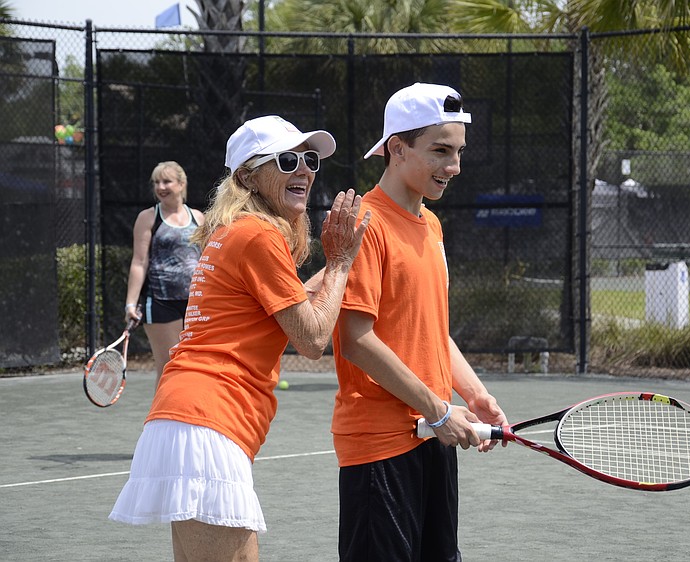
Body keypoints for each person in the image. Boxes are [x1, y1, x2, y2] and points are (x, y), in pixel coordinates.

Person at [109, 115, 370, 562]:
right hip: (209, 418)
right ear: (248, 176)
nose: (304, 169)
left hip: (193, 416)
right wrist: (342, 262)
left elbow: (291, 305)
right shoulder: (259, 235)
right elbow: (311, 339)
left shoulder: (238, 231)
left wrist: (345, 263)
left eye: (309, 159)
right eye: (287, 160)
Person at [331, 83, 508, 561]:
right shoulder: (364, 224)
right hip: (380, 449)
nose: (454, 167)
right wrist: (439, 408)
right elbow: (355, 340)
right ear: (396, 148)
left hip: (433, 437)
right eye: (440, 151)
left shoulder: (430, 225)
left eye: (458, 152)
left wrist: (474, 395)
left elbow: (432, 330)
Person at [124, 161, 205, 387]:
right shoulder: (148, 218)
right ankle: (160, 421)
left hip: (195, 303)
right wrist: (130, 304)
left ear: (181, 184)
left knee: (195, 366)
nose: (161, 186)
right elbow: (139, 262)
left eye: (166, 181)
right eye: (156, 182)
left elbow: (207, 261)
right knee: (170, 367)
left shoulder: (198, 218)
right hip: (160, 303)